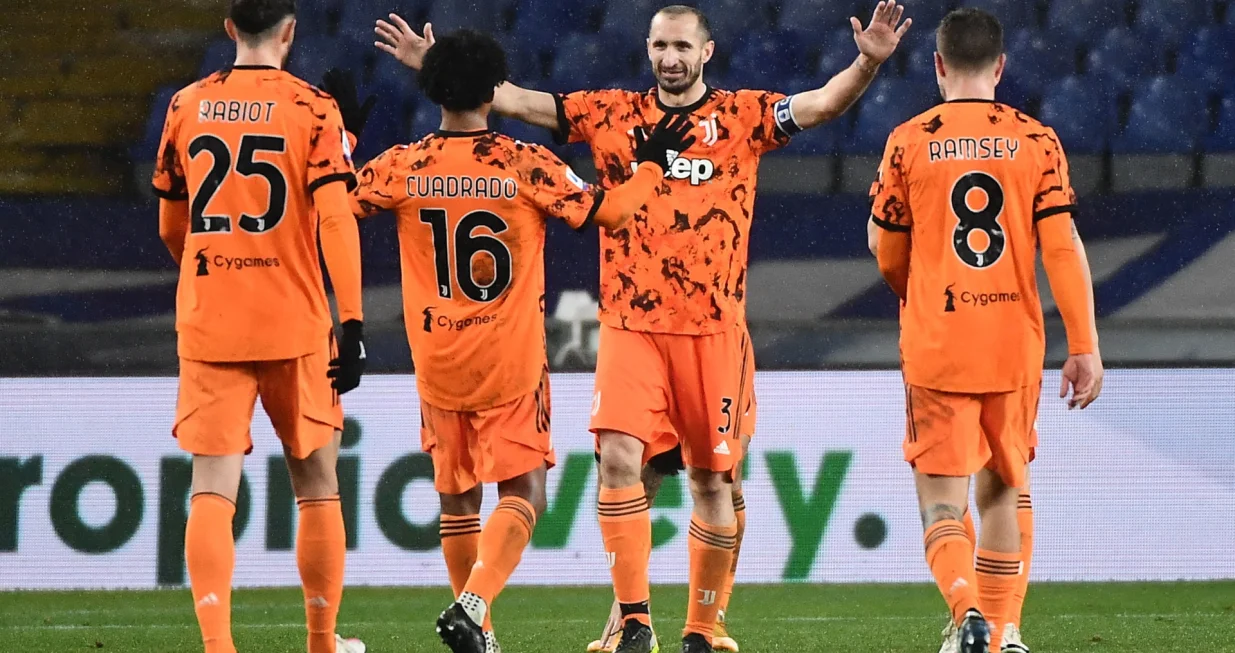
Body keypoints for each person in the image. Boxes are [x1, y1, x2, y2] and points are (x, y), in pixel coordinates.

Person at [375, 4, 910, 652]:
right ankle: (634, 623)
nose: (669, 58)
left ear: (706, 52)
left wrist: (867, 62)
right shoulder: (609, 113)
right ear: (648, 49)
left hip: (713, 329)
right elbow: (514, 98)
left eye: (682, 46)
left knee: (714, 480)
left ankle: (701, 630)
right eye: (659, 45)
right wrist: (437, 70)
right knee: (618, 463)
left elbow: (821, 104)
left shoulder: (743, 116)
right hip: (629, 323)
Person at [333, 28, 696, 653]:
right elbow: (608, 213)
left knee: (456, 500)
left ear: (432, 90)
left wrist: (340, 141)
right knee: (524, 492)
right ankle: (474, 605)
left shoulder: (404, 163)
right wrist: (651, 168)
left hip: (436, 357)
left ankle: (484, 635)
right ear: (494, 91)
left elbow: (332, 205)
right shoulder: (524, 163)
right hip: (508, 358)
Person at [868, 8, 1103, 653]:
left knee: (943, 504)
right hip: (1012, 345)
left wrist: (914, 287)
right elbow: (1062, 247)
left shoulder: (908, 140)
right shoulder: (1037, 140)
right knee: (1003, 488)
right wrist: (1083, 344)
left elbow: (887, 251)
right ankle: (1005, 632)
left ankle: (965, 613)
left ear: (938, 65)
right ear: (1000, 66)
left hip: (938, 344)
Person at [151, 1, 369, 652]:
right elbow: (336, 220)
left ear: (228, 30)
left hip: (211, 319)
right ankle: (321, 642)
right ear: (290, 31)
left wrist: (212, 268)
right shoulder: (313, 108)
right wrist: (352, 322)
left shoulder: (185, 104)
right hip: (294, 322)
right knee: (317, 483)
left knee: (212, 490)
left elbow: (171, 227)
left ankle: (219, 647)